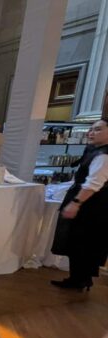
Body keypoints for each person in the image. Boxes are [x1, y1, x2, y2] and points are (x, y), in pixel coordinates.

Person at [50, 118, 108, 291]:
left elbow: (93, 184)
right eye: (91, 129)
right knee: (79, 240)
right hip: (91, 202)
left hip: (93, 205)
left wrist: (76, 203)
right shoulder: (94, 150)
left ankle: (80, 279)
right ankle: (79, 278)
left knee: (83, 240)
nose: (91, 133)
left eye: (98, 129)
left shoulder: (103, 155)